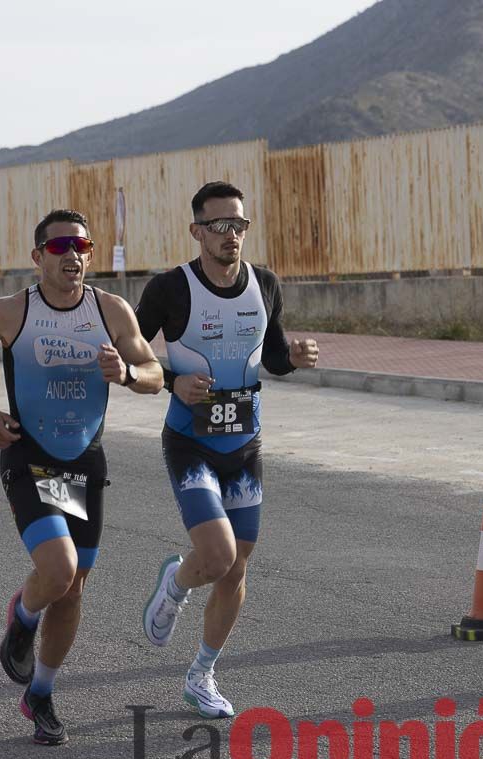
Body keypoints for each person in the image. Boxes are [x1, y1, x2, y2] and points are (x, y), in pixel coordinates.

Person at [0, 209, 163, 744]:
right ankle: (21, 614)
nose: (72, 255)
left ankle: (40, 692)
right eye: (59, 246)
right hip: (30, 456)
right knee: (58, 568)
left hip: (83, 462)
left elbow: (155, 374)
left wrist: (129, 374)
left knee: (70, 591)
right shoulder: (11, 312)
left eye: (81, 246)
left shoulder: (110, 311)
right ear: (38, 256)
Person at [137, 181, 319, 719]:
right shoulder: (171, 289)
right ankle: (174, 584)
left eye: (238, 225)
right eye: (219, 226)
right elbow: (135, 353)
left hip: (245, 444)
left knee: (237, 570)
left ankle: (201, 675)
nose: (230, 235)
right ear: (197, 232)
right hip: (190, 440)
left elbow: (275, 356)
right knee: (215, 558)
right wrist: (172, 380)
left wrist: (296, 356)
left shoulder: (265, 284)